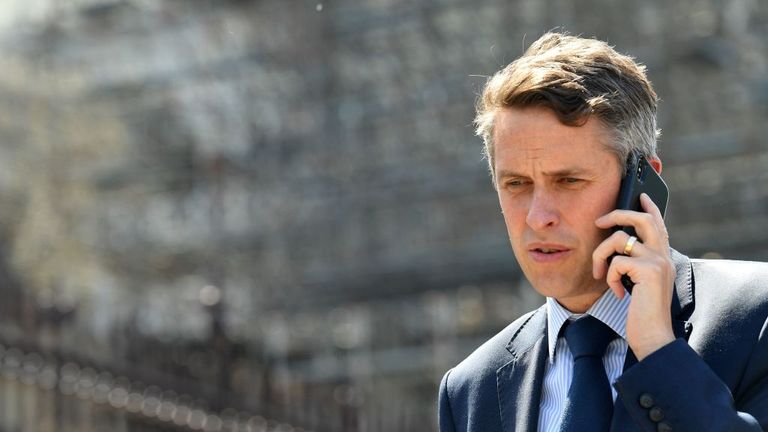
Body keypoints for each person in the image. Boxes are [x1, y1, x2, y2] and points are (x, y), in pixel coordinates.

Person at [438, 31, 768, 432]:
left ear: (642, 183)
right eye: (517, 184)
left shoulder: (758, 319)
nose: (538, 217)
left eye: (569, 181)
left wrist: (660, 353)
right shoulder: (471, 390)